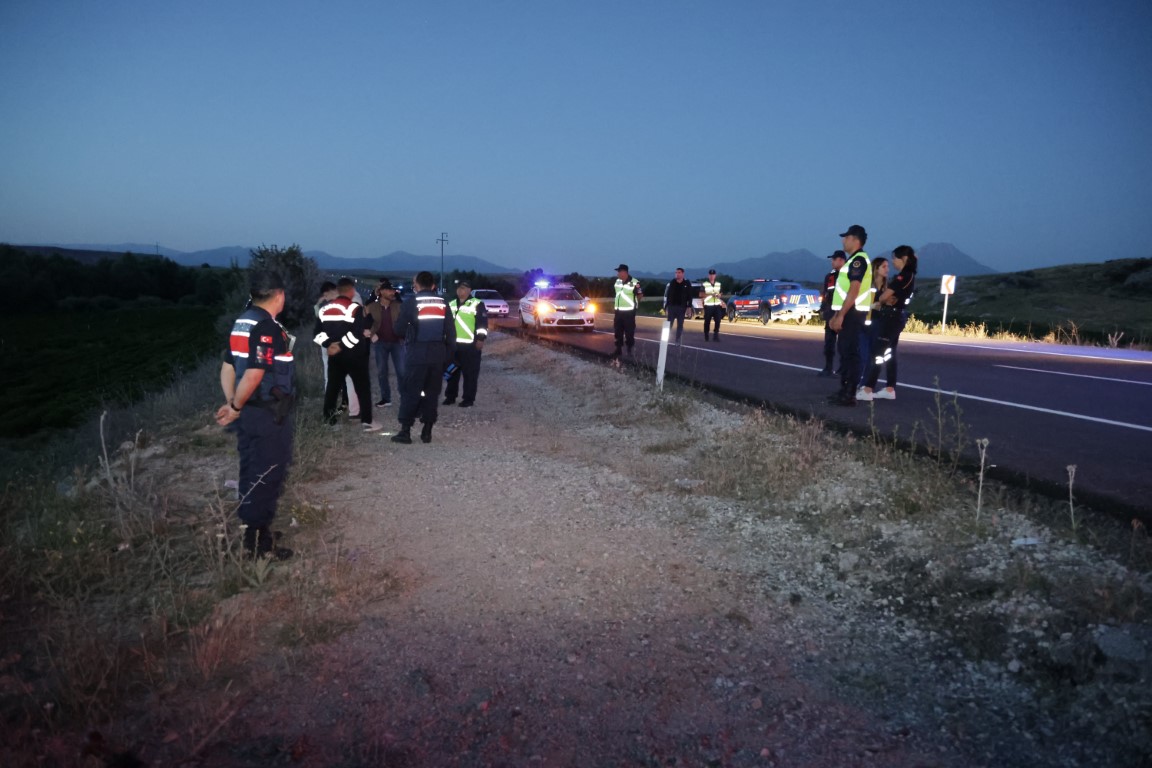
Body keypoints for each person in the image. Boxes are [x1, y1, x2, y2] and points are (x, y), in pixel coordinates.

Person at [214, 270, 295, 560]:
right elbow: (255, 372)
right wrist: (235, 406)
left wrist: (233, 404)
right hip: (266, 414)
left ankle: (254, 529)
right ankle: (259, 547)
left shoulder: (242, 322)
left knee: (250, 469)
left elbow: (227, 367)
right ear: (279, 295)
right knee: (267, 473)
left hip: (249, 411)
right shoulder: (266, 327)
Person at [392, 271, 456, 444]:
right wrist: (447, 358)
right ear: (433, 285)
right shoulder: (443, 303)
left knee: (410, 392)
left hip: (416, 355)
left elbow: (398, 330)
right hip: (437, 356)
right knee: (432, 393)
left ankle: (405, 431)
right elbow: (451, 333)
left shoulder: (411, 302)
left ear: (417, 285)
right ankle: (427, 432)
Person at [315, 277, 379, 431]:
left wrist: (329, 345)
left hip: (334, 356)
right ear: (351, 291)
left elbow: (317, 333)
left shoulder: (324, 309)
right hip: (355, 356)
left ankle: (329, 421)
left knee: (332, 387)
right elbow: (356, 334)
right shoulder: (354, 309)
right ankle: (367, 422)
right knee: (362, 388)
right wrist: (342, 346)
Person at [861, 245, 918, 400]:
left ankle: (867, 390)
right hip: (896, 317)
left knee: (877, 354)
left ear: (904, 259)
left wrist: (883, 299)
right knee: (889, 353)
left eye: (894, 259)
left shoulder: (903, 276)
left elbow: (884, 297)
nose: (893, 263)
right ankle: (889, 388)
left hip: (890, 319)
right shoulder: (909, 276)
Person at [827, 224, 873, 407]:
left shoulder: (858, 261)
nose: (843, 240)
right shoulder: (853, 260)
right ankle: (844, 389)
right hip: (849, 312)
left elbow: (854, 290)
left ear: (855, 239)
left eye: (846, 237)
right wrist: (837, 314)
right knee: (845, 352)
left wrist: (841, 315)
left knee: (850, 353)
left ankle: (849, 393)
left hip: (853, 313)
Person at [444, 280, 488, 407]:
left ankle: (468, 399)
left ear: (469, 290)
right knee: (451, 373)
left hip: (470, 346)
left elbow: (482, 323)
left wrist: (480, 339)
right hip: (453, 346)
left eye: (463, 288)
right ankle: (450, 397)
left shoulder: (477, 304)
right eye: (458, 288)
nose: (460, 290)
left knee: (470, 374)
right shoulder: (451, 304)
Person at [365, 278, 405, 407]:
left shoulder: (398, 306)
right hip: (380, 343)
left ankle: (405, 398)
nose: (392, 292)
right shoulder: (372, 307)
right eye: (388, 290)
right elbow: (364, 322)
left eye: (392, 290)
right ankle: (386, 398)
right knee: (382, 371)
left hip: (397, 342)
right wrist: (371, 334)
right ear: (381, 292)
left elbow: (406, 321)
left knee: (402, 371)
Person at [855, 256, 888, 400]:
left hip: (878, 324)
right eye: (884, 266)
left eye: (887, 266)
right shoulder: (867, 285)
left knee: (873, 357)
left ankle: (865, 385)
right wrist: (871, 306)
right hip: (864, 323)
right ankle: (855, 382)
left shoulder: (887, 287)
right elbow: (858, 303)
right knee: (863, 355)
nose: (887, 269)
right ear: (876, 268)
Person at [817, 251, 846, 377]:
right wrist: (823, 309)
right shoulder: (829, 277)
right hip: (830, 313)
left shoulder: (849, 275)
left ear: (841, 260)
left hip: (844, 314)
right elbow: (825, 294)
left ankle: (843, 369)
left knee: (844, 343)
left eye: (833, 259)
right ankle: (828, 368)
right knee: (829, 343)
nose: (831, 262)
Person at [611, 264, 643, 356]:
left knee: (629, 331)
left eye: (619, 271)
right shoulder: (617, 282)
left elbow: (640, 295)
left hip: (629, 312)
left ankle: (629, 349)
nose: (618, 273)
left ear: (625, 272)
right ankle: (618, 349)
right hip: (618, 311)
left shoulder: (635, 282)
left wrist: (635, 303)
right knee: (618, 331)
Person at [663, 268, 694, 345]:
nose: (677, 274)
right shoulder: (672, 282)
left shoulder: (687, 283)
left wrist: (689, 307)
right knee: (669, 324)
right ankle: (665, 340)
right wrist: (667, 306)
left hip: (681, 307)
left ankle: (677, 340)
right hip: (672, 307)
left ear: (683, 273)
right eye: (676, 272)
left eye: (679, 272)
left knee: (680, 324)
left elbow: (690, 296)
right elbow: (669, 295)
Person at [700, 269, 725, 341]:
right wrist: (711, 294)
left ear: (715, 276)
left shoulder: (718, 284)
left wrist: (719, 295)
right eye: (710, 275)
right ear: (708, 276)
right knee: (707, 321)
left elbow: (721, 292)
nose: (712, 276)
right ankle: (706, 335)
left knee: (718, 320)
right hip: (708, 305)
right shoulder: (705, 284)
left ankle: (716, 335)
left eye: (713, 275)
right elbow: (701, 294)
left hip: (717, 305)